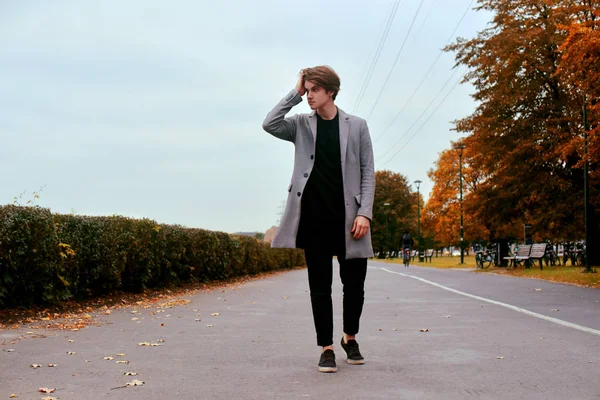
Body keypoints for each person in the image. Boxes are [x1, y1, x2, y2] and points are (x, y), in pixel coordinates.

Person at [262, 66, 375, 373]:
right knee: (319, 287)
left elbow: (368, 172)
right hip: (313, 217)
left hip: (350, 220)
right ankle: (326, 346)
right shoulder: (300, 124)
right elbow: (269, 123)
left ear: (331, 92)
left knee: (354, 286)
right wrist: (294, 93)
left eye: (313, 90)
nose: (310, 95)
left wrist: (365, 211)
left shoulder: (358, 126)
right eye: (307, 90)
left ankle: (349, 338)